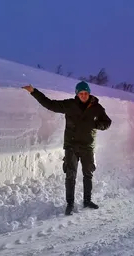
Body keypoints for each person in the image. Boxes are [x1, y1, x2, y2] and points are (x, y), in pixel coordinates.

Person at [22, 81, 112, 215]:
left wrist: (96, 124)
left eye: (85, 93)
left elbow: (107, 122)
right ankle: (70, 203)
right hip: (71, 146)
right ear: (77, 94)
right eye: (80, 93)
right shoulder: (70, 105)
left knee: (88, 175)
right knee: (70, 175)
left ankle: (87, 200)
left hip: (88, 146)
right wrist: (33, 92)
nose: (83, 95)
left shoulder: (97, 108)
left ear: (89, 93)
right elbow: (50, 104)